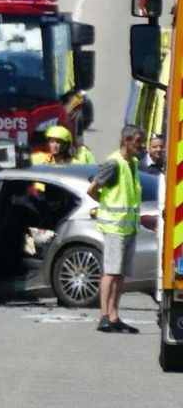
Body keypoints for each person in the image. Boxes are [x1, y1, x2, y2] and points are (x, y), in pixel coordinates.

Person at [87, 124, 144, 334]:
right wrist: (104, 202)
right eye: (138, 141)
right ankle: (104, 315)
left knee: (120, 275)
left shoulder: (134, 163)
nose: (141, 145)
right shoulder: (114, 163)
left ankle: (114, 315)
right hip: (114, 227)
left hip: (128, 228)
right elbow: (92, 189)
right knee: (111, 273)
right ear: (126, 141)